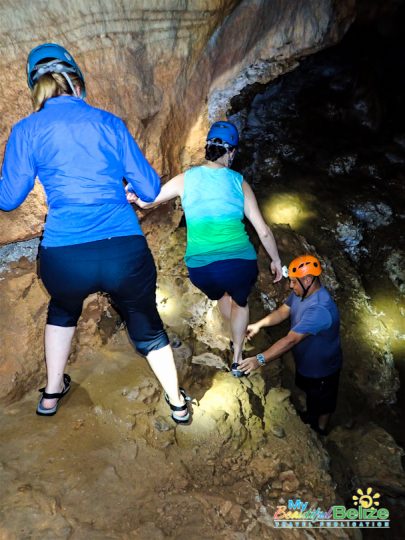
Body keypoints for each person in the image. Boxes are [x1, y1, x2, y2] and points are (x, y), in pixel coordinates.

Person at [0, 43, 190, 423]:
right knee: (143, 319)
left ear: (36, 87)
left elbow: (9, 199)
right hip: (124, 252)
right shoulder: (109, 123)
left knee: (63, 308)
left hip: (65, 257)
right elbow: (150, 189)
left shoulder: (26, 130)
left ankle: (51, 395)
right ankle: (178, 404)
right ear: (77, 81)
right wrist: (129, 187)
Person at [127, 121, 283, 377]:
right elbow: (263, 231)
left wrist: (133, 195)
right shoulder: (239, 182)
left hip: (201, 268)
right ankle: (237, 356)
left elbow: (147, 202)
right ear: (231, 152)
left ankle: (230, 331)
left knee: (221, 296)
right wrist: (275, 260)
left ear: (207, 147)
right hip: (239, 263)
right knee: (240, 303)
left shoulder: (185, 179)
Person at [239, 255, 342, 435]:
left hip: (323, 369)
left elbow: (290, 340)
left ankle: (320, 429)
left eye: (294, 282)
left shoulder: (320, 309)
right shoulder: (302, 293)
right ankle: (309, 414)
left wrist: (259, 359)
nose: (290, 286)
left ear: (307, 280)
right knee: (310, 393)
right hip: (306, 361)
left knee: (324, 401)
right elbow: (283, 312)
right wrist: (258, 325)